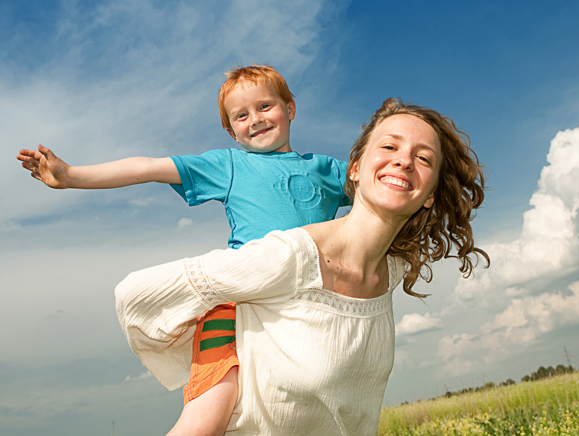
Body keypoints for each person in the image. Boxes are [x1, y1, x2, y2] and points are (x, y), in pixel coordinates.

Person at [115, 98, 489, 435]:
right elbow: (137, 294)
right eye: (389, 146)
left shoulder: (389, 273)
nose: (404, 160)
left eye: (423, 158)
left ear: (430, 196)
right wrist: (225, 316)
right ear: (354, 169)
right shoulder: (290, 256)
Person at [16, 65, 350, 436]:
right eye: (241, 115)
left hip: (305, 309)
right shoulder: (230, 165)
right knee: (210, 411)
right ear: (230, 130)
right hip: (236, 301)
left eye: (265, 107)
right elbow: (148, 167)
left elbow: (383, 188)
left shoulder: (328, 171)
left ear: (290, 108)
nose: (255, 120)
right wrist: (72, 177)